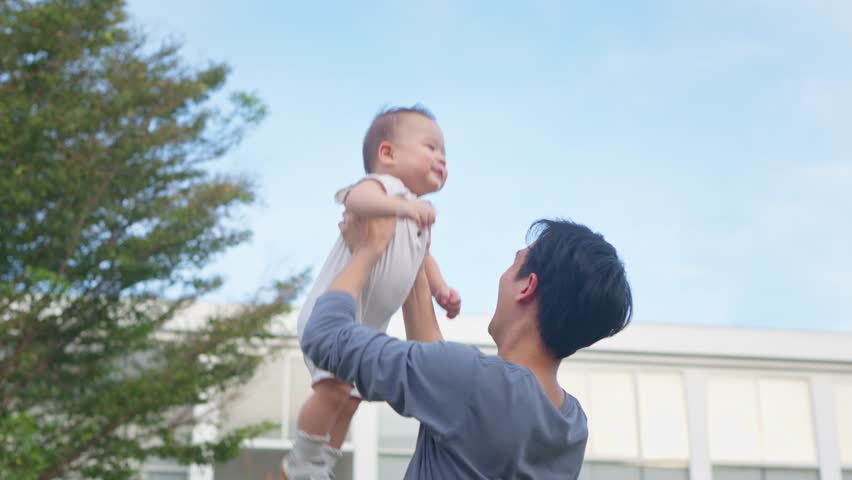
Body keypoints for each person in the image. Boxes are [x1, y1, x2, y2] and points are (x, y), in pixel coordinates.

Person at [293, 215, 633, 479]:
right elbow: (450, 387)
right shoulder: (571, 427)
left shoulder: (472, 383)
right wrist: (413, 257)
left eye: (513, 264)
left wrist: (366, 251)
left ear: (527, 287)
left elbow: (323, 334)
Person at [282, 105, 461, 479]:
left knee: (349, 400)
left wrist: (441, 289)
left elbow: (425, 261)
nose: (441, 157)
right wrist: (401, 207)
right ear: (387, 154)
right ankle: (301, 460)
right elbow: (354, 200)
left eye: (444, 151)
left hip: (367, 327)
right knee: (331, 391)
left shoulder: (417, 213)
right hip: (331, 313)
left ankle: (322, 464)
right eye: (431, 146)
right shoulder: (384, 188)